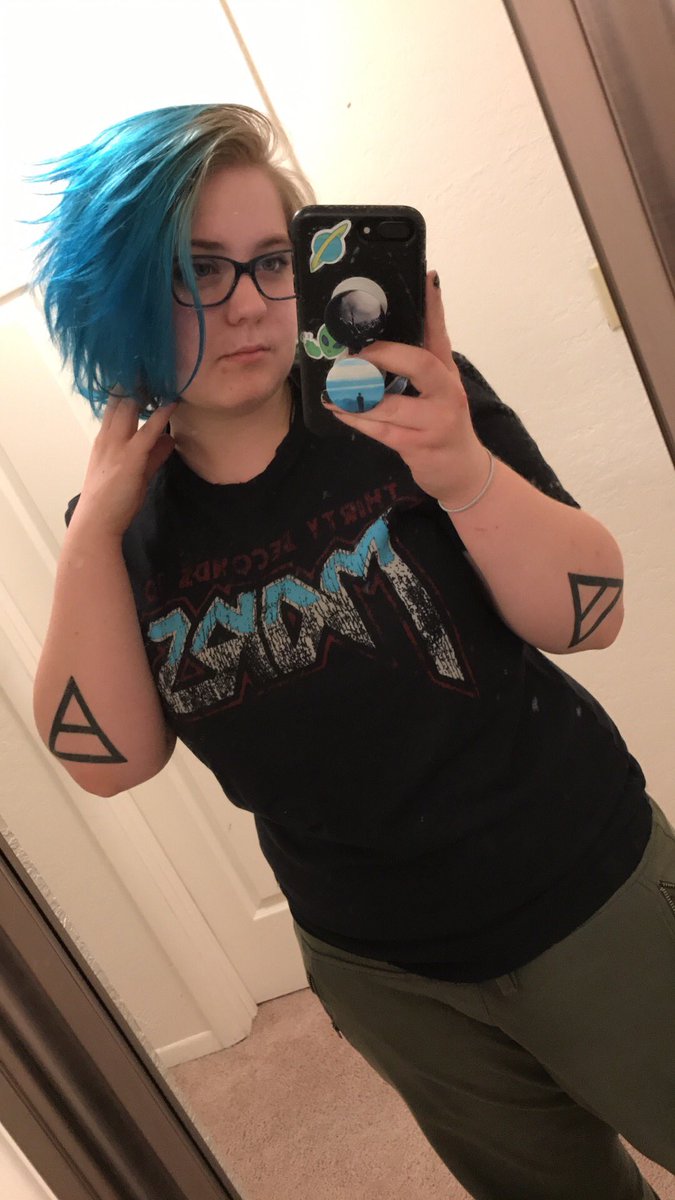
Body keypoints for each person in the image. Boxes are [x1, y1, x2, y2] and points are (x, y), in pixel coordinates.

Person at [31, 104, 674, 1200]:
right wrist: (92, 533)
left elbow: (591, 615)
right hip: (386, 975)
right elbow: (109, 762)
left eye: (273, 262)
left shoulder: (407, 411)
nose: (250, 303)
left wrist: (462, 467)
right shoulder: (121, 530)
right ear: (116, 293)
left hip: (588, 894)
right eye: (197, 272)